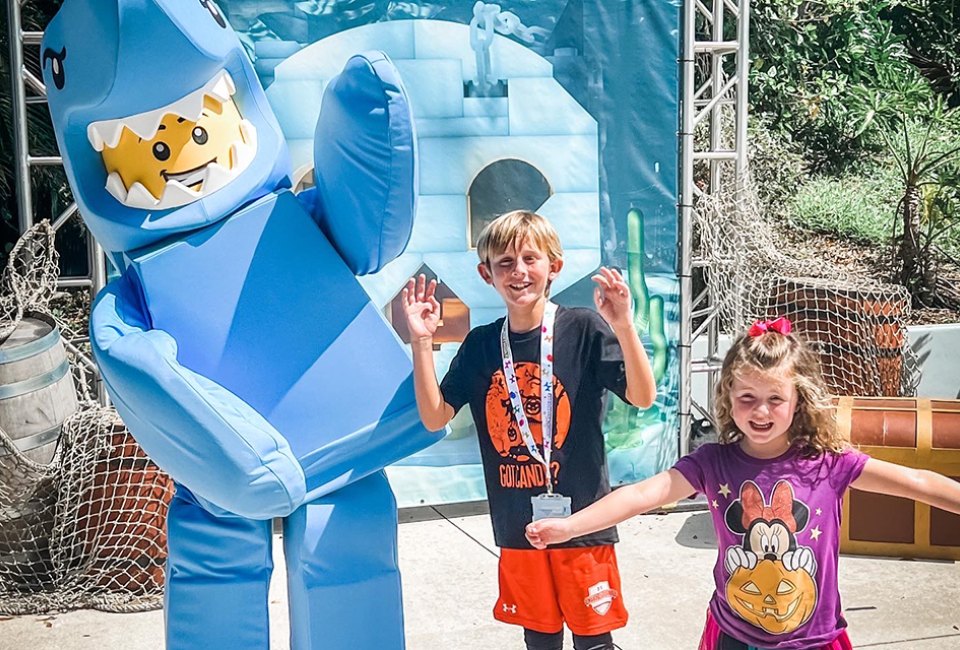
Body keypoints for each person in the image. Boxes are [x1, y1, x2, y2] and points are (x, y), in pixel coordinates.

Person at [526, 316, 960, 649]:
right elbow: (644, 493)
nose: (761, 411)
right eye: (747, 398)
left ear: (799, 401)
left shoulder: (829, 463)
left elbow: (916, 481)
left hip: (812, 639)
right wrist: (569, 527)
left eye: (776, 399)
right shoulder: (712, 463)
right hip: (734, 635)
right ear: (728, 398)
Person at [403, 210, 658, 650]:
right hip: (519, 524)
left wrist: (623, 326)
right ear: (487, 274)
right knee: (539, 639)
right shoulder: (482, 344)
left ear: (553, 267)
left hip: (582, 522)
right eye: (504, 263)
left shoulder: (582, 328)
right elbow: (435, 417)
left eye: (530, 258)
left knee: (594, 641)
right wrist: (422, 344)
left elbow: (642, 396)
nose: (518, 271)